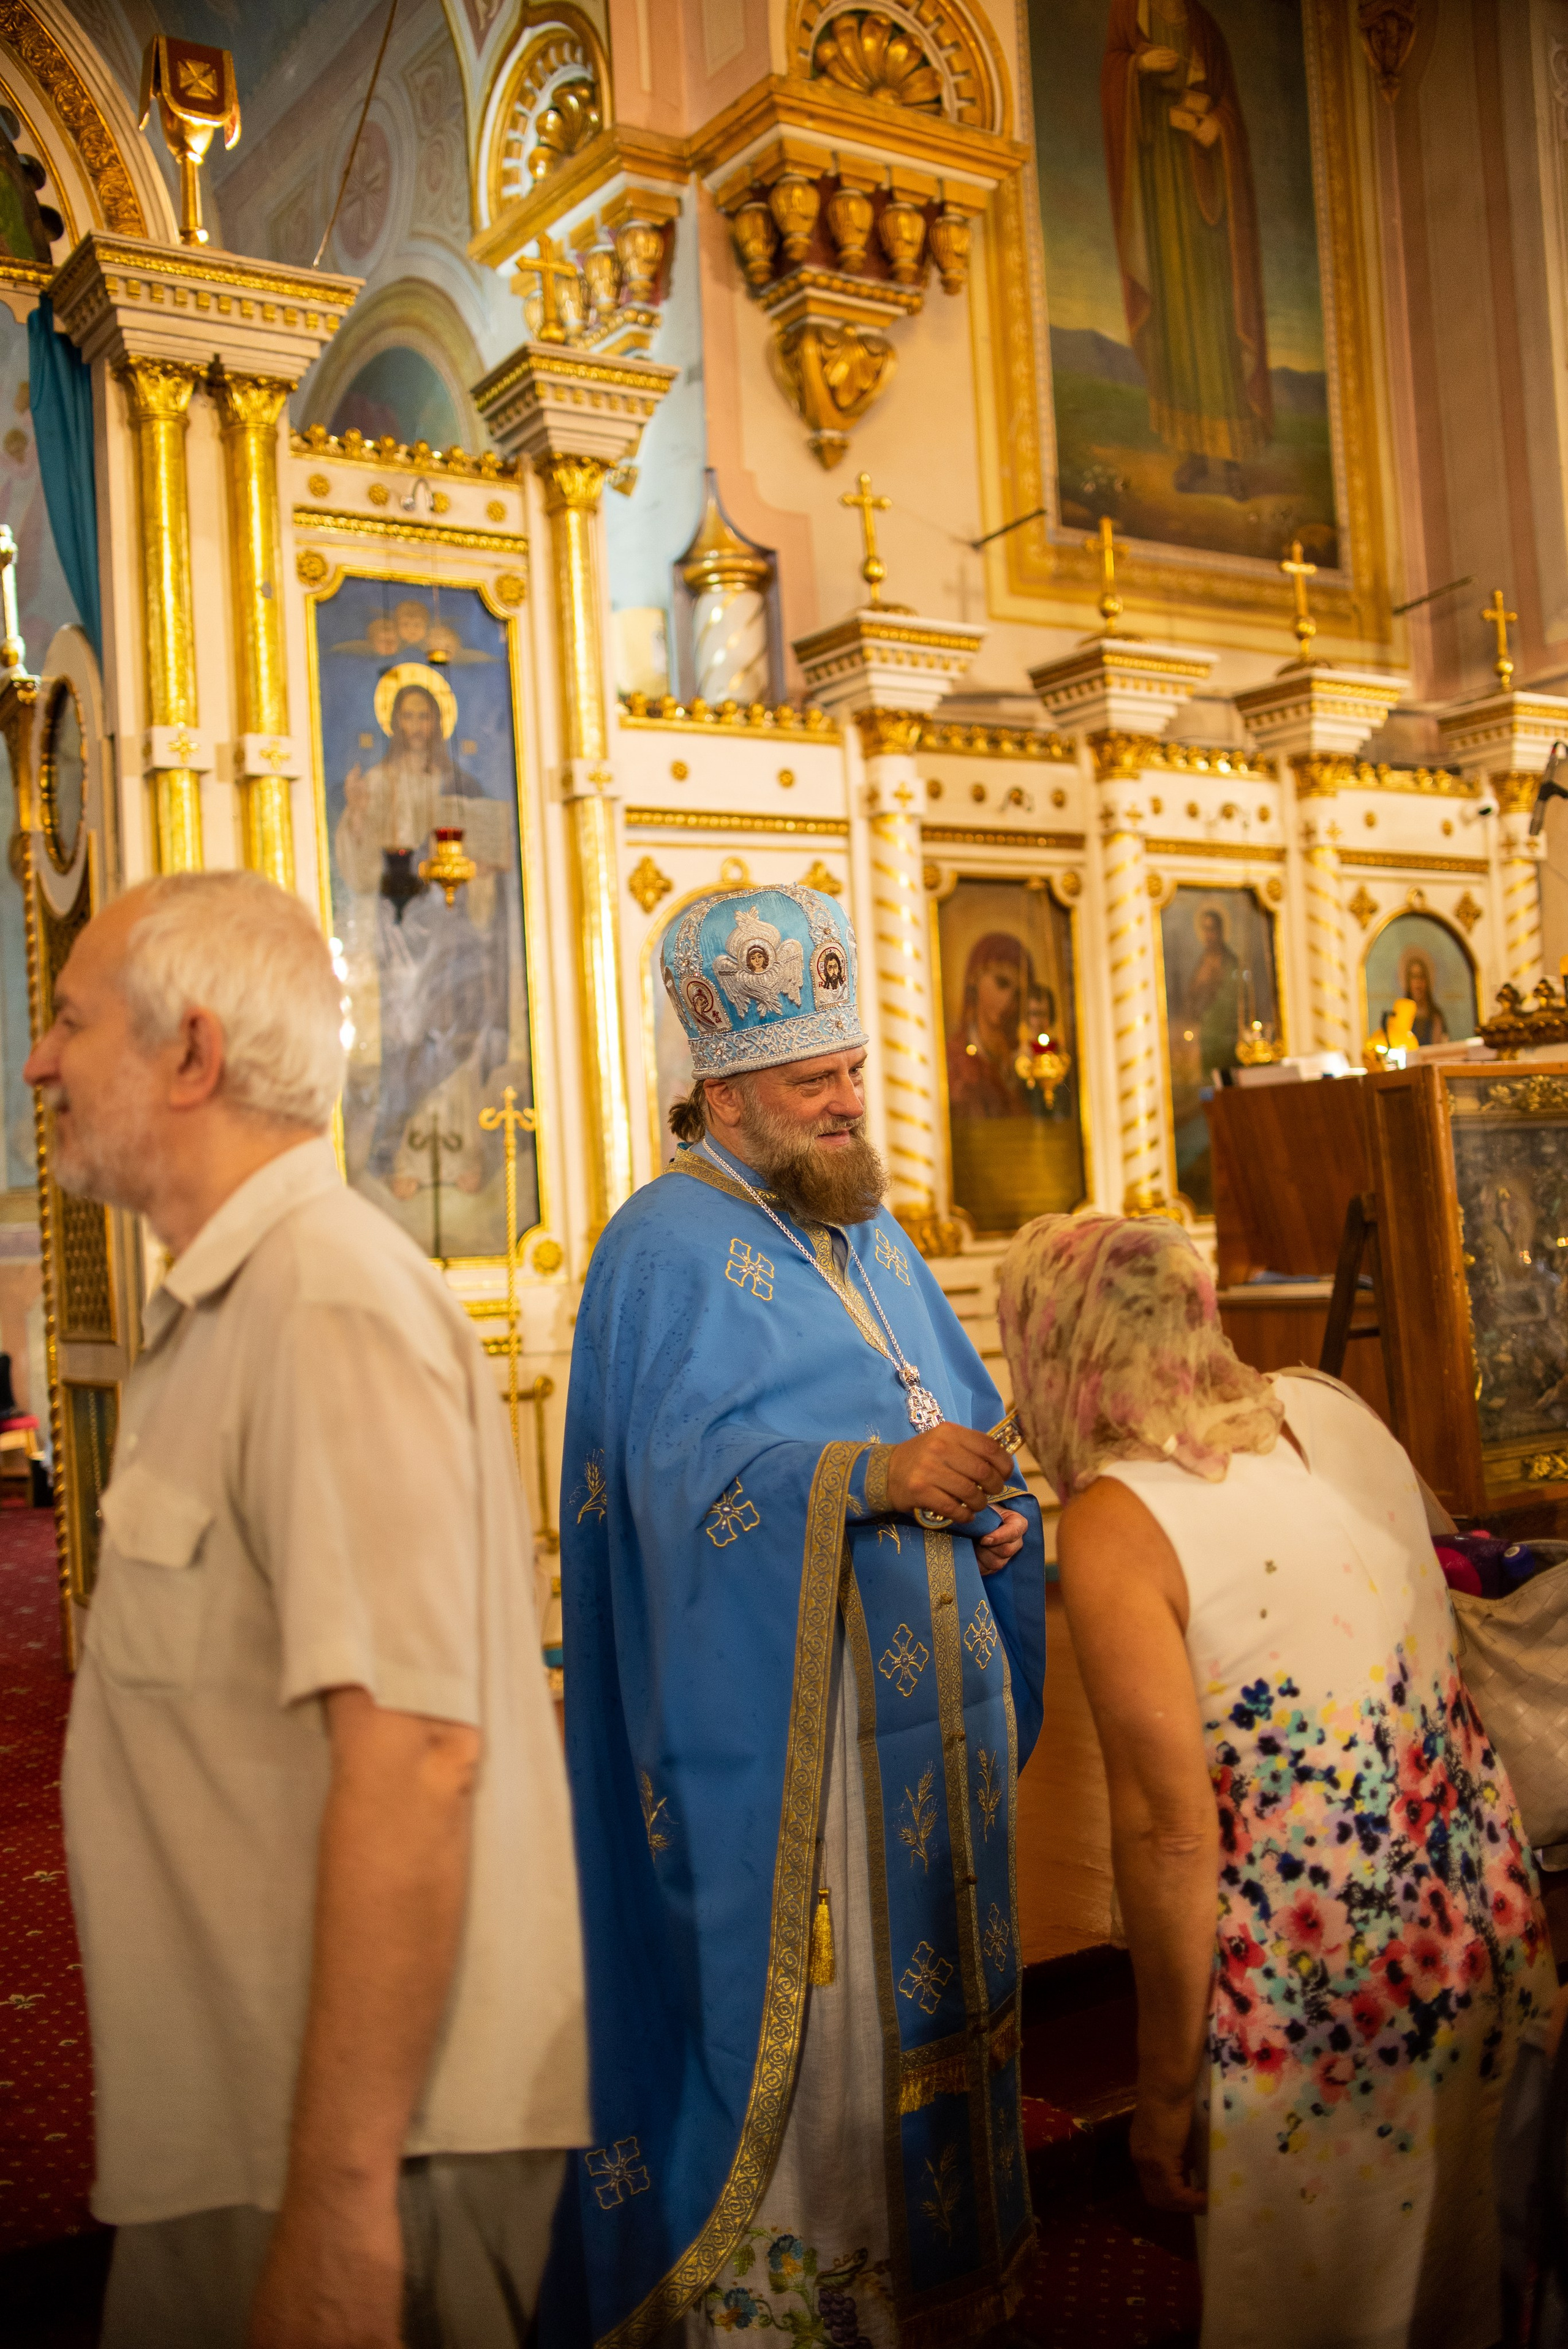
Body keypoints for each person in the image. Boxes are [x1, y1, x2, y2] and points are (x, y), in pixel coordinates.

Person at [28, 870, 586, 2348]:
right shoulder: (236, 1302)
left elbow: (414, 1755)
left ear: (191, 1054)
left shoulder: (323, 1304)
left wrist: (342, 2203)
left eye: (70, 1019)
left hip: (353, 2147)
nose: (38, 1058)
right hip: (256, 2115)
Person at [543, 884, 1048, 2347]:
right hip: (801, 1761)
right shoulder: (661, 1246)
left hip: (930, 1742)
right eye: (811, 1078)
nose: (846, 1100)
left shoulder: (863, 1229)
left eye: (850, 1069)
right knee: (827, 2051)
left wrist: (981, 1505)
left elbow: (938, 1405)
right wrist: (872, 1475)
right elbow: (666, 1494)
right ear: (720, 1090)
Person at [996, 1209, 1554, 2349]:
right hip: (1476, 1929)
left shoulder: (1121, 1519)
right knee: (1472, 2280)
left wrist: (1160, 2091)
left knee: (1327, 2312)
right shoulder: (1328, 1407)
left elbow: (1167, 1833)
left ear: (1056, 1351)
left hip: (1321, 1997)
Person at [335, 673, 510, 1201]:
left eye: (425, 716)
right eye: (408, 716)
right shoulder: (377, 781)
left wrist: (483, 869)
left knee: (454, 1028)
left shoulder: (462, 785)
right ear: (394, 722)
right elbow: (361, 872)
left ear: (438, 723)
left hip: (451, 927)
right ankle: (401, 1154)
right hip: (398, 930)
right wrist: (359, 814)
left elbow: (486, 855)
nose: (417, 726)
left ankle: (462, 1151)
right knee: (407, 1037)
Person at [1102, 0, 1271, 499]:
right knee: (1176, 317)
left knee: (1213, 318)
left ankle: (1232, 454)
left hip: (1205, 201)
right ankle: (1194, 453)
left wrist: (1219, 125)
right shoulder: (1129, 14)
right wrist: (1136, 68)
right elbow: (1112, 76)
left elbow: (1229, 105)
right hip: (1159, 190)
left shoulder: (1204, 26)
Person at [945, 931, 1058, 1119]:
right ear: (975, 978)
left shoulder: (1024, 1056)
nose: (1008, 1001)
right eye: (1002, 983)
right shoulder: (955, 1056)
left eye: (1018, 994)